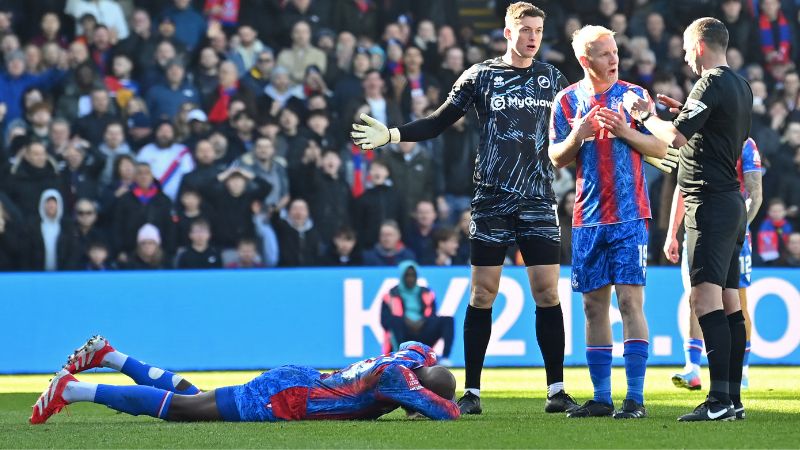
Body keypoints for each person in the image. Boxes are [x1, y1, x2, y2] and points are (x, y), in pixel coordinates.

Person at [351, 1, 577, 415]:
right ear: (508, 32)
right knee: (482, 292)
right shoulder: (481, 76)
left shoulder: (553, 79)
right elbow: (439, 121)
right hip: (491, 199)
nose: (532, 37)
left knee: (547, 292)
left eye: (539, 30)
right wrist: (393, 135)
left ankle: (557, 389)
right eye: (525, 29)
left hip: (538, 198)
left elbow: (574, 128)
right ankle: (471, 391)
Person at [625, 17, 753, 421]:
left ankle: (716, 401)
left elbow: (674, 138)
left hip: (710, 203)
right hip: (731, 204)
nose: (682, 55)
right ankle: (731, 400)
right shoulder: (741, 85)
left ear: (699, 46)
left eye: (684, 47)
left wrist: (645, 115)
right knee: (730, 303)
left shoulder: (710, 82)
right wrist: (683, 112)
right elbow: (717, 131)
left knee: (704, 298)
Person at [549, 25, 669, 419]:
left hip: (630, 214)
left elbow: (660, 147)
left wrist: (625, 131)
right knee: (592, 308)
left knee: (630, 302)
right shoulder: (566, 102)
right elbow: (556, 158)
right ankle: (602, 398)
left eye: (615, 51)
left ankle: (635, 399)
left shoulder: (635, 97)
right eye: (604, 54)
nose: (614, 59)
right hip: (587, 219)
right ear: (585, 61)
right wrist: (578, 136)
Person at [30, 337, 458, 424]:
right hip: (291, 397)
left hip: (301, 380)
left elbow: (421, 348)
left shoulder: (410, 357)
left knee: (198, 396)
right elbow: (446, 414)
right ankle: (73, 389)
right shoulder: (400, 379)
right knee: (186, 411)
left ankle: (110, 355)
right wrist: (441, 400)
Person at [667, 138, 763, 394]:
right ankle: (693, 368)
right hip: (697, 230)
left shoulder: (744, 144)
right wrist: (672, 233)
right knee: (694, 298)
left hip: (732, 232)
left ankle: (740, 369)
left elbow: (756, 193)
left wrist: (738, 228)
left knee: (736, 301)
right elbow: (682, 187)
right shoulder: (693, 138)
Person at [381, 261, 455, 366]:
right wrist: (405, 321)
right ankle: (400, 356)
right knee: (394, 320)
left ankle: (445, 358)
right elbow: (384, 321)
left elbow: (432, 315)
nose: (410, 278)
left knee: (448, 319)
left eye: (413, 275)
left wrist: (422, 321)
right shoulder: (390, 294)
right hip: (403, 334)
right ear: (401, 277)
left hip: (423, 330)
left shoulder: (427, 292)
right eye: (407, 275)